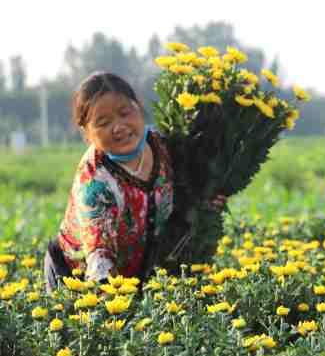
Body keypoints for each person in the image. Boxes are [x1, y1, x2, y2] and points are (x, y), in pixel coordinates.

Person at [44, 72, 226, 291]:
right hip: (81, 282)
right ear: (87, 133)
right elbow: (100, 263)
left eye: (124, 113)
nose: (119, 127)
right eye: (103, 122)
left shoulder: (163, 146)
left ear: (138, 107)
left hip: (140, 271)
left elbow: (187, 193)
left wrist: (208, 199)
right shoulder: (95, 183)